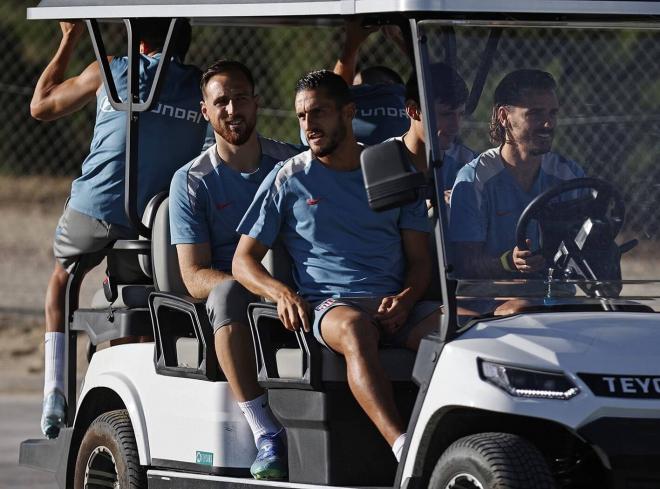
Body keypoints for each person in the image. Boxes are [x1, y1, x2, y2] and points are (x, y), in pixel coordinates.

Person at [233, 70, 442, 463]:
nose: (309, 126)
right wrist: (281, 293)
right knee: (355, 329)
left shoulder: (394, 170)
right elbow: (242, 261)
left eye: (319, 113)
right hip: (332, 308)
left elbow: (419, 262)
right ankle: (406, 452)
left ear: (348, 113)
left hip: (399, 307)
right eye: (301, 117)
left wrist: (406, 298)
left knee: (462, 328)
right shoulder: (289, 178)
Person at [30, 19, 206, 439]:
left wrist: (70, 37)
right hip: (155, 219)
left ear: (138, 39)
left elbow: (40, 105)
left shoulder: (109, 69)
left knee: (63, 278)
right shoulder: (201, 85)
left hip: (98, 208)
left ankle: (55, 389)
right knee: (145, 284)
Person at [169, 60, 301, 480]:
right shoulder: (191, 181)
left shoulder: (292, 162)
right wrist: (265, 289)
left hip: (299, 296)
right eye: (220, 101)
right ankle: (266, 432)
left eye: (240, 98)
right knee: (226, 293)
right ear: (205, 111)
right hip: (244, 306)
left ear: (256, 103)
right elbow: (193, 276)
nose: (232, 109)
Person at [449, 69, 584, 280]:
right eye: (535, 114)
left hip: (556, 301)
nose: (548, 124)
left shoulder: (570, 175)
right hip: (493, 303)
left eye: (552, 113)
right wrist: (507, 263)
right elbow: (464, 263)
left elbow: (587, 245)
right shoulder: (473, 180)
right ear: (504, 117)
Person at [400, 63, 475, 204]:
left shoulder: (470, 163)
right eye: (446, 114)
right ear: (413, 110)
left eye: (461, 115)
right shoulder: (384, 164)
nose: (456, 126)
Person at [329, 18, 410, 145]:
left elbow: (334, 93)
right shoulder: (415, 110)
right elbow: (435, 78)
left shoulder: (336, 116)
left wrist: (352, 42)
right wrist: (398, 37)